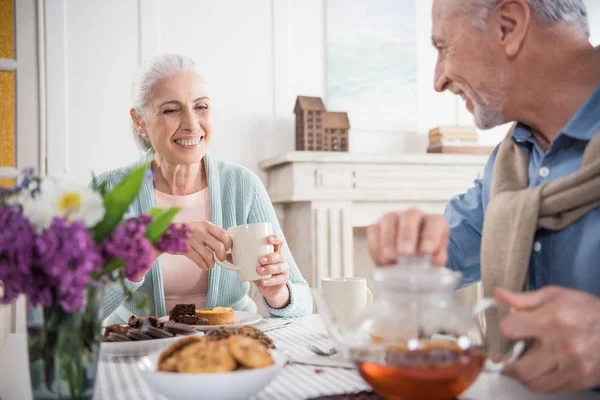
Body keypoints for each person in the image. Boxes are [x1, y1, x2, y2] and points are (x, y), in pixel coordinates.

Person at [367, 0, 600, 394]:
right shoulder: (510, 163)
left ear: (508, 26)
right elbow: (450, 247)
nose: (438, 81)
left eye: (443, 47)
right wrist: (412, 243)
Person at [96, 53, 312, 324]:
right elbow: (75, 311)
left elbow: (303, 300)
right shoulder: (108, 191)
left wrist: (278, 293)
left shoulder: (243, 186)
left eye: (201, 107)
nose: (191, 124)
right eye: (171, 110)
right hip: (142, 348)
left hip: (228, 344)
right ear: (140, 121)